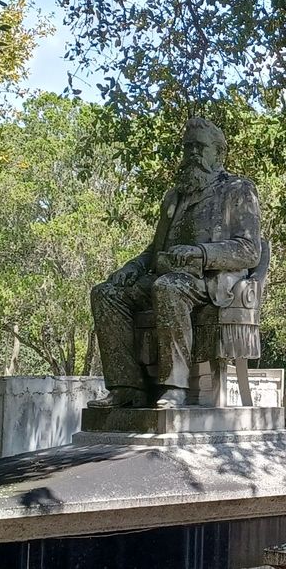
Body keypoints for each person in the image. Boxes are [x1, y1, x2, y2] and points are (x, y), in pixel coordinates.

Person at [89, 118, 262, 409]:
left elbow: (249, 251)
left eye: (200, 147)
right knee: (106, 294)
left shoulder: (238, 189)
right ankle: (126, 387)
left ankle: (175, 387)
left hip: (211, 281)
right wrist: (131, 267)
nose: (192, 154)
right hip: (167, 273)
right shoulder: (175, 195)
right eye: (187, 147)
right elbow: (154, 250)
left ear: (218, 154)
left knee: (167, 287)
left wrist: (201, 253)